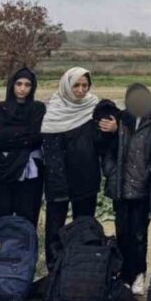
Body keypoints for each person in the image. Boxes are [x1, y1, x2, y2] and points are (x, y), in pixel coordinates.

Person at [40, 67, 119, 270]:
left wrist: (112, 131)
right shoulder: (54, 110)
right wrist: (56, 180)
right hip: (58, 179)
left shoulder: (93, 108)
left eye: (85, 85)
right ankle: (54, 269)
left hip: (86, 177)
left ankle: (80, 269)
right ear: (66, 85)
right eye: (76, 85)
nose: (81, 90)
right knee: (55, 228)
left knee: (84, 227)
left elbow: (101, 145)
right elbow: (49, 150)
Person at [103, 83, 151, 295]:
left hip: (142, 189)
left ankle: (139, 274)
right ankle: (123, 276)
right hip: (121, 187)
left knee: (139, 236)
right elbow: (108, 151)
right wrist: (111, 172)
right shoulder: (120, 120)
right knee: (122, 233)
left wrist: (150, 178)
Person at [0, 66, 46, 226]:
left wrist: (9, 134)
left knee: (27, 217)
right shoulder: (0, 108)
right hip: (2, 169)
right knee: (0, 216)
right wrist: (25, 133)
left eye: (27, 85)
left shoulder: (38, 108)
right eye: (19, 84)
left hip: (30, 173)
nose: (22, 88)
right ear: (12, 85)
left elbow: (36, 137)